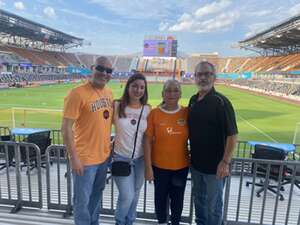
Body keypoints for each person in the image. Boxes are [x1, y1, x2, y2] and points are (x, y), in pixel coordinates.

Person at [61, 56, 114, 225]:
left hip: (104, 157)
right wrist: (74, 157)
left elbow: (105, 121)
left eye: (108, 71)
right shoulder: (76, 93)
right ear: (92, 68)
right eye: (100, 68)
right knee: (82, 201)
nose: (104, 73)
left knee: (96, 196)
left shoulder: (109, 93)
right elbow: (66, 128)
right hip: (84, 160)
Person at [188, 61, 238, 225]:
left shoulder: (221, 102)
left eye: (207, 74)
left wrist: (225, 162)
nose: (203, 77)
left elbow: (233, 135)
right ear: (195, 77)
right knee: (199, 203)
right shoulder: (193, 100)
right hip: (196, 166)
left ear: (214, 77)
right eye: (199, 74)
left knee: (214, 207)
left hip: (215, 169)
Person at [144, 79, 189, 225]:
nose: (172, 93)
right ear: (163, 94)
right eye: (168, 90)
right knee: (160, 199)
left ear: (180, 94)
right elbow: (147, 141)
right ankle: (162, 222)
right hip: (159, 167)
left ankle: (175, 222)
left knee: (178, 200)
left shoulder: (186, 112)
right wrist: (148, 167)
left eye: (175, 90)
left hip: (180, 167)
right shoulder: (154, 114)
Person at [112, 73, 151, 225]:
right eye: (134, 86)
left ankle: (130, 221)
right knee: (127, 195)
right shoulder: (116, 105)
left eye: (142, 87)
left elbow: (148, 136)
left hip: (140, 160)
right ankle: (120, 222)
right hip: (121, 158)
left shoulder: (148, 109)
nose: (138, 90)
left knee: (135, 195)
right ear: (128, 87)